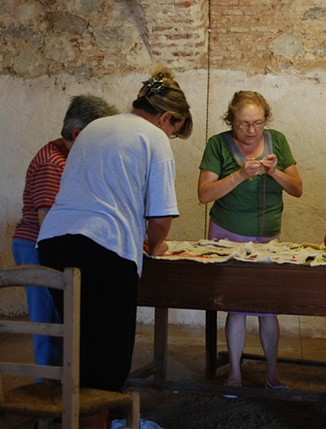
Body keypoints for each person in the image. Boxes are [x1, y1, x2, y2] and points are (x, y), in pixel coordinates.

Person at [38, 65, 192, 428]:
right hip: (104, 247)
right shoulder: (153, 139)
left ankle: (73, 419)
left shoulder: (95, 127)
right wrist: (154, 248)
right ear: (166, 117)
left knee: (77, 345)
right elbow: (160, 219)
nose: (169, 137)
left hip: (54, 243)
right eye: (173, 130)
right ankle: (96, 424)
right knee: (106, 355)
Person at [198, 90, 303, 392]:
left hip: (268, 236)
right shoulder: (218, 144)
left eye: (257, 123)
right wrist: (240, 176)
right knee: (238, 306)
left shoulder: (278, 141)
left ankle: (273, 374)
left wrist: (274, 172)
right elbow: (204, 194)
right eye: (243, 123)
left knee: (268, 307)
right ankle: (234, 374)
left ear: (265, 121)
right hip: (227, 235)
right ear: (231, 120)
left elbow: (296, 189)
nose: (251, 130)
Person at [12, 95, 118, 369]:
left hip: (48, 246)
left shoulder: (68, 158)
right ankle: (46, 386)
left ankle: (60, 385)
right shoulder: (53, 164)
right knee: (46, 321)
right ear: (78, 133)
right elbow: (48, 221)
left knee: (59, 318)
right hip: (36, 248)